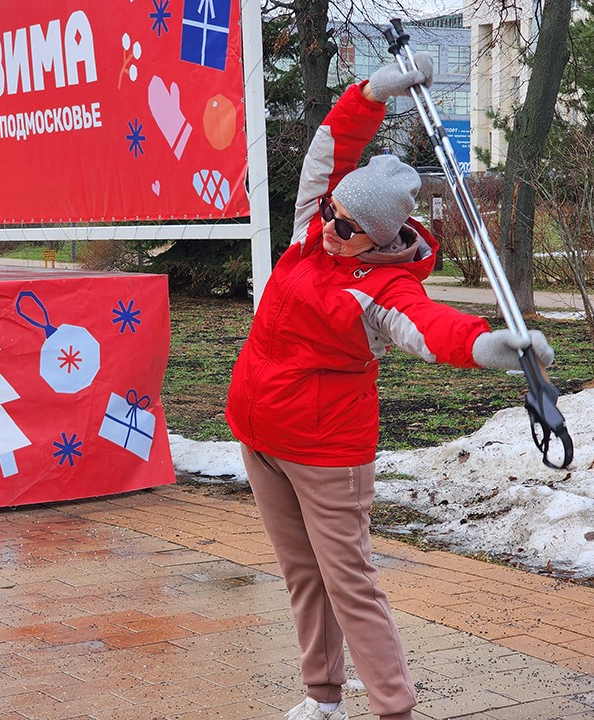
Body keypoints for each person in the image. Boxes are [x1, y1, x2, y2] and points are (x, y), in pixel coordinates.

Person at [225, 54, 554, 720]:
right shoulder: (311, 237)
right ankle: (323, 699)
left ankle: (394, 708)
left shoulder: (383, 289)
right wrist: (371, 92)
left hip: (327, 454)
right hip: (260, 434)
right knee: (303, 578)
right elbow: (330, 148)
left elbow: (428, 328)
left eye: (344, 226)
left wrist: (491, 347)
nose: (327, 227)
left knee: (349, 584)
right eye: (330, 213)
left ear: (375, 239)